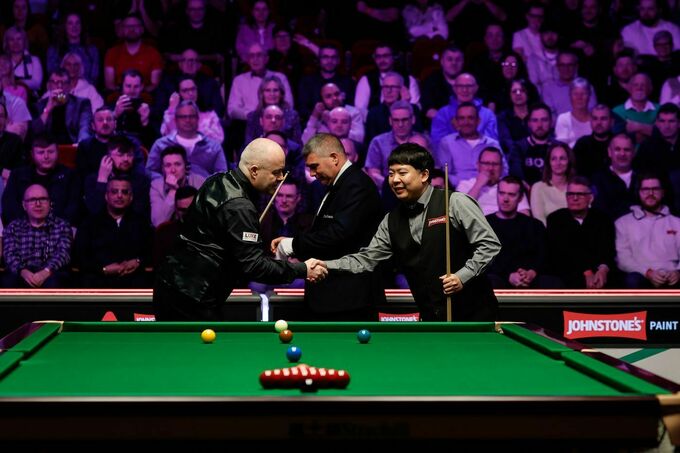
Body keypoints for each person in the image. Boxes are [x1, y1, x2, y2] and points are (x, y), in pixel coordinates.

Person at [318, 143, 500, 321]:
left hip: (476, 318)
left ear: (424, 175)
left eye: (402, 173)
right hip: (432, 320)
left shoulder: (455, 202)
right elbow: (365, 260)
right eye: (391, 174)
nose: (395, 180)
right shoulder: (391, 220)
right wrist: (324, 265)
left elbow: (489, 245)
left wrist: (462, 276)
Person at [153, 138, 327, 321]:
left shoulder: (217, 179)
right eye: (276, 172)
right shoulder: (239, 206)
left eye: (282, 171)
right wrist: (302, 269)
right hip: (192, 296)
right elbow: (254, 266)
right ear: (254, 171)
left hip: (172, 284)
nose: (281, 178)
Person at [271, 134, 385, 320]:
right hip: (335, 297)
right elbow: (325, 232)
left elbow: (339, 234)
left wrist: (292, 245)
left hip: (350, 299)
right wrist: (293, 242)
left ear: (334, 158)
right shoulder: (341, 184)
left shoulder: (357, 185)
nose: (312, 174)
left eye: (314, 166)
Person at [73, 176, 153, 288]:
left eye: (125, 192)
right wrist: (103, 269)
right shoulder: (89, 224)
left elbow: (151, 252)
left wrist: (138, 261)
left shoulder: (142, 223)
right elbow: (80, 257)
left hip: (132, 279)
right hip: (98, 278)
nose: (119, 196)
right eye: (114, 191)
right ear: (106, 196)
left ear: (131, 197)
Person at [545, 176, 616, 288]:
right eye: (570, 194)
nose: (575, 198)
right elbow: (564, 252)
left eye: (580, 194)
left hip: (598, 271)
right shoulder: (555, 219)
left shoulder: (603, 219)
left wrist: (603, 269)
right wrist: (587, 272)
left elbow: (607, 250)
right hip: (568, 272)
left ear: (590, 198)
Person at [486, 176, 556, 289]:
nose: (505, 199)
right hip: (498, 278)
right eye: (502, 193)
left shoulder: (534, 226)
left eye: (511, 194)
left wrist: (532, 272)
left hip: (531, 278)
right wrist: (508, 276)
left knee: (551, 282)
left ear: (520, 198)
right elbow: (482, 259)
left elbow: (544, 255)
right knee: (489, 281)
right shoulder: (483, 225)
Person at [615, 174, 680, 288]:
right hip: (641, 275)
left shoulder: (677, 222)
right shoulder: (623, 223)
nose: (650, 193)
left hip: (672, 275)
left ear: (663, 192)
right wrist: (648, 273)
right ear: (638, 193)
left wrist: (678, 272)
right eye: (645, 189)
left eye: (655, 189)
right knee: (632, 280)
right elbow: (623, 259)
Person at [1, 184, 72, 288]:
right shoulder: (13, 227)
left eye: (43, 199)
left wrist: (46, 271)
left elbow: (63, 253)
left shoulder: (62, 226)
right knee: (8, 282)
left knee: (56, 283)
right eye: (32, 200)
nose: (38, 204)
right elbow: (9, 255)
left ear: (50, 203)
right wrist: (23, 271)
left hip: (52, 273)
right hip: (22, 273)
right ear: (24, 205)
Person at [146, 100, 227, 180]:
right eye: (183, 117)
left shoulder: (214, 147)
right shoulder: (161, 145)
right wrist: (165, 180)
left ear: (198, 119)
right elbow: (149, 172)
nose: (187, 120)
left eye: (192, 116)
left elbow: (222, 176)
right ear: (175, 120)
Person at [436, 102, 503, 187]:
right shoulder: (447, 142)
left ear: (478, 121)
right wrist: (466, 184)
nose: (466, 122)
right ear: (456, 121)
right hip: (457, 189)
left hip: (489, 188)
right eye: (462, 118)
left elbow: (503, 172)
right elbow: (443, 174)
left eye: (470, 118)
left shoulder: (492, 144)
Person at [456, 147, 526, 216]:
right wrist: (478, 185)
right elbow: (459, 213)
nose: (490, 168)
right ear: (478, 165)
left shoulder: (511, 186)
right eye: (486, 163)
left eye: (495, 164)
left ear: (502, 167)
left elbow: (525, 215)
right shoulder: (465, 185)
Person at [104, 14, 163, 92]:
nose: (131, 29)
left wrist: (136, 92)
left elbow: (155, 85)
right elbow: (109, 84)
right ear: (122, 30)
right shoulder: (112, 53)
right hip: (118, 95)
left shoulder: (153, 53)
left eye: (135, 26)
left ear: (142, 29)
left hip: (146, 96)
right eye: (127, 26)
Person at [32, 69, 93, 144]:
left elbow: (85, 128)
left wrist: (81, 145)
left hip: (72, 147)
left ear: (70, 86)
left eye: (64, 83)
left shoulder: (82, 104)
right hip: (48, 148)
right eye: (55, 82)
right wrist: (47, 109)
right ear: (49, 86)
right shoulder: (39, 106)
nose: (59, 86)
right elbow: (35, 133)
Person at [150, 145, 205, 227]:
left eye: (177, 164)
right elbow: (158, 223)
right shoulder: (156, 186)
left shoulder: (199, 182)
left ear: (185, 166)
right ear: (162, 169)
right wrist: (173, 190)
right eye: (168, 165)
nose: (173, 170)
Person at [591, 133, 639, 221]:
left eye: (627, 150)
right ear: (609, 152)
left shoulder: (642, 178)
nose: (622, 154)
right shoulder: (598, 180)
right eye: (617, 149)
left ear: (634, 152)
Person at [161, 76, 224, 143]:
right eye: (185, 90)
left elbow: (219, 139)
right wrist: (172, 109)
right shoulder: (172, 114)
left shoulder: (210, 115)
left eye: (193, 89)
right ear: (178, 94)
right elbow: (165, 135)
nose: (190, 93)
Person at [46, 12, 100, 85]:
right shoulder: (54, 50)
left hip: (86, 89)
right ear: (65, 26)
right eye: (70, 23)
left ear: (82, 26)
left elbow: (94, 77)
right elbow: (52, 75)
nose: (74, 27)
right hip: (61, 89)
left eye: (77, 23)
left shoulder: (92, 50)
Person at [530, 142, 575, 226]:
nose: (558, 163)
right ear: (548, 162)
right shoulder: (538, 188)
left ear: (569, 161)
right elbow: (539, 222)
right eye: (553, 159)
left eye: (562, 158)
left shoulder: (576, 188)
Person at [573, 104, 614, 178]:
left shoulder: (619, 144)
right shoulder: (582, 144)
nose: (599, 123)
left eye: (603, 119)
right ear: (590, 121)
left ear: (611, 122)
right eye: (595, 119)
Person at [554, 78, 594, 148]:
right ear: (570, 96)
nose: (579, 98)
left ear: (589, 96)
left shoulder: (596, 119)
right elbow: (561, 147)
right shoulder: (563, 119)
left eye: (583, 94)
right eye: (575, 94)